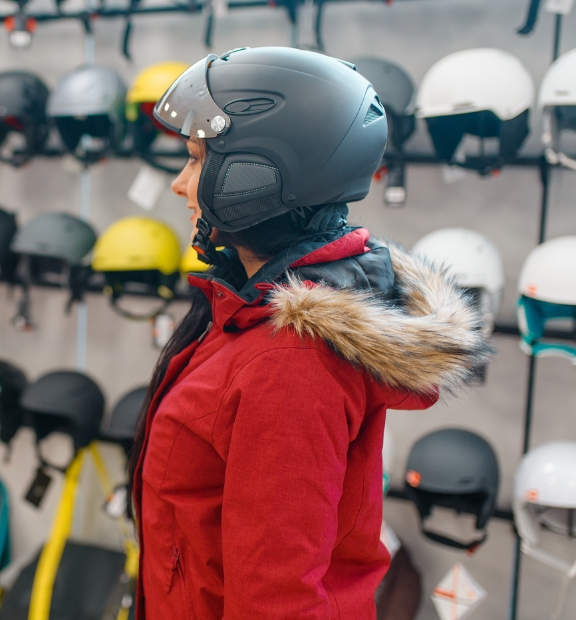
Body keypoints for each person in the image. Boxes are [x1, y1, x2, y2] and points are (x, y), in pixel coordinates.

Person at [130, 48, 492, 619]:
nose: (179, 185)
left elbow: (278, 600)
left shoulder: (289, 364)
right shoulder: (249, 311)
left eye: (198, 160)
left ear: (261, 179)